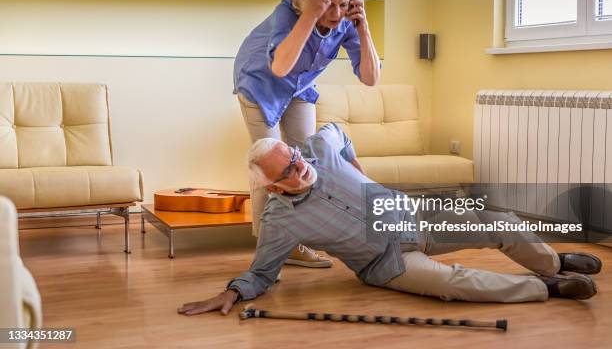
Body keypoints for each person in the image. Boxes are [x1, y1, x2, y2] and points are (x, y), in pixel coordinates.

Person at [178, 123, 601, 316]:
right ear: (272, 188)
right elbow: (262, 272)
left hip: (411, 215)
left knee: (498, 221)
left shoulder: (317, 149)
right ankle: (548, 288)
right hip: (386, 263)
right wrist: (234, 291)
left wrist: (357, 167)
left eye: (293, 157)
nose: (298, 167)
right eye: (286, 171)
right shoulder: (278, 222)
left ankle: (554, 263)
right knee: (452, 283)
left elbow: (338, 133)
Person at [233, 0, 381, 268]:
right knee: (271, 163)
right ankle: (269, 248)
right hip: (260, 84)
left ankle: (297, 242)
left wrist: (363, 28)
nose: (336, 13)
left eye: (344, 4)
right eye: (329, 5)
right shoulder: (287, 14)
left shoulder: (344, 22)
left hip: (298, 88)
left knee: (305, 160)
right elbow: (280, 67)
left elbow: (370, 78)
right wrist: (311, 13)